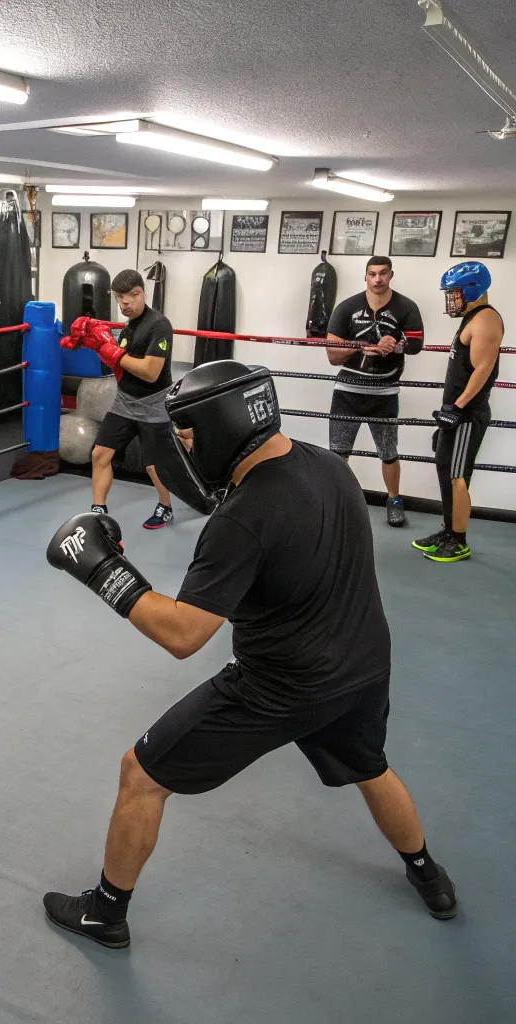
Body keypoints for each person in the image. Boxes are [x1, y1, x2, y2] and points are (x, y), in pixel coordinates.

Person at [42, 360, 457, 949]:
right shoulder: (330, 467)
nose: (186, 448)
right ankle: (429, 876)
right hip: (362, 664)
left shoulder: (243, 520)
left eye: (189, 436)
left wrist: (102, 569)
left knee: (141, 774)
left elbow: (184, 635)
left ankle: (104, 914)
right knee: (371, 767)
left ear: (221, 428)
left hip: (279, 687)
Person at [68, 269, 179, 529]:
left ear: (142, 293)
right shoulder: (129, 328)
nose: (124, 303)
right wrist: (97, 346)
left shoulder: (159, 325)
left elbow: (151, 372)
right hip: (125, 401)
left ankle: (165, 507)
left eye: (131, 296)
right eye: (119, 297)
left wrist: (114, 352)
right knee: (100, 453)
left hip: (153, 404)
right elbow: (121, 368)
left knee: (153, 466)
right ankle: (98, 510)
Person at [413, 262, 504, 563]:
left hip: (468, 414)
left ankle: (459, 541)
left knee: (457, 476)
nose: (451, 299)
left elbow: (483, 371)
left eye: (455, 293)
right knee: (445, 469)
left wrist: (458, 408)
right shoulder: (472, 318)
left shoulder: (486, 319)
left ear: (472, 290)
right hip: (456, 412)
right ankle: (448, 531)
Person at [325, 256, 424, 527]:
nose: (377, 279)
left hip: (384, 393)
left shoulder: (406, 306)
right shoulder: (347, 307)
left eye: (382, 273)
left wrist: (395, 344)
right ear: (365, 276)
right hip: (347, 392)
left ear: (391, 275)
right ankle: (336, 501)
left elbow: (416, 344)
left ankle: (394, 500)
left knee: (388, 452)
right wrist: (361, 346)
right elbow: (332, 354)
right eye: (372, 273)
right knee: (338, 453)